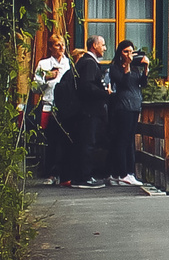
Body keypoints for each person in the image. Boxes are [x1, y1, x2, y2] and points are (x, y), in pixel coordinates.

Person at [68, 36, 112, 186]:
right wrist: (104, 92)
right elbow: (86, 86)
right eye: (103, 45)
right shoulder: (89, 63)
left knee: (85, 142)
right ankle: (84, 177)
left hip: (85, 110)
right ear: (94, 45)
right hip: (89, 111)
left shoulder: (85, 62)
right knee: (87, 142)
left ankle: (81, 175)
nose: (105, 48)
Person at [106, 40, 149, 185]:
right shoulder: (115, 68)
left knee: (130, 140)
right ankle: (121, 173)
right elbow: (123, 83)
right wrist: (127, 65)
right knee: (122, 140)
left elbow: (142, 83)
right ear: (120, 53)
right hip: (123, 106)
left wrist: (146, 68)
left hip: (135, 106)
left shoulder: (135, 69)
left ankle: (129, 173)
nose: (129, 55)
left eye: (131, 51)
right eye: (126, 52)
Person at [44, 39, 81, 187]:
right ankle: (51, 173)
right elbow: (35, 87)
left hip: (67, 107)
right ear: (50, 47)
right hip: (49, 104)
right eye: (57, 45)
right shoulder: (44, 64)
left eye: (63, 45)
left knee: (65, 140)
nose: (61, 48)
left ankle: (64, 173)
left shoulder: (70, 64)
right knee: (51, 140)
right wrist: (47, 78)